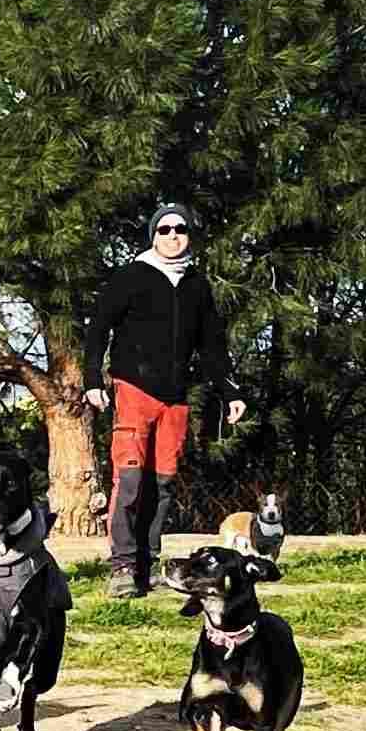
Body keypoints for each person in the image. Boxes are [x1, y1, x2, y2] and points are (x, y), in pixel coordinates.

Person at [83, 203, 246, 597]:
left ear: (190, 236)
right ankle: (122, 565)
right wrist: (93, 380)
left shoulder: (196, 285)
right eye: (164, 230)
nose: (172, 236)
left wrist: (231, 393)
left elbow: (212, 345)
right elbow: (99, 328)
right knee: (131, 480)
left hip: (176, 398)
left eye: (180, 230)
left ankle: (149, 563)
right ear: (153, 235)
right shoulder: (131, 277)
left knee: (163, 484)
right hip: (134, 390)